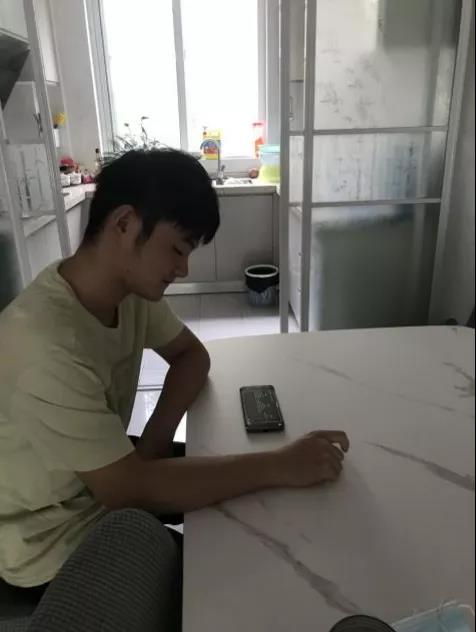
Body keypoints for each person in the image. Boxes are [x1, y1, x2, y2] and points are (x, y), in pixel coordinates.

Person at [0, 148, 349, 595]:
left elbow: (191, 357)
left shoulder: (124, 291)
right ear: (124, 224)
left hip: (105, 480)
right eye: (178, 249)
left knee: (252, 500)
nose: (183, 269)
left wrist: (153, 445)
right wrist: (281, 464)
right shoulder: (43, 341)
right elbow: (126, 492)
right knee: (243, 565)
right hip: (50, 546)